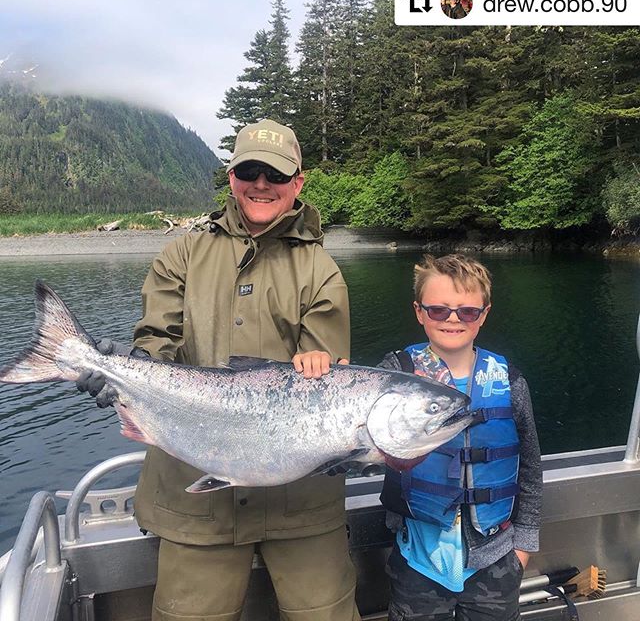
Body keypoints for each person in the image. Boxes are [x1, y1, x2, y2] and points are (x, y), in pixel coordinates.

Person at [78, 119, 359, 621]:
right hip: (192, 498)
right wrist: (123, 376)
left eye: (274, 174)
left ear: (297, 183)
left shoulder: (322, 272)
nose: (261, 184)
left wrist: (320, 367)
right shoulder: (182, 254)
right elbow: (154, 347)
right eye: (248, 170)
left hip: (303, 506)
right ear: (231, 177)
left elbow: (328, 380)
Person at [378, 254, 542, 621]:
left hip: (496, 559)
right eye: (438, 310)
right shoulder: (394, 374)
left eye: (467, 312)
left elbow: (530, 465)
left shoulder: (509, 380)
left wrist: (524, 544)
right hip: (417, 561)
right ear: (419, 312)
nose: (453, 319)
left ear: (483, 315)